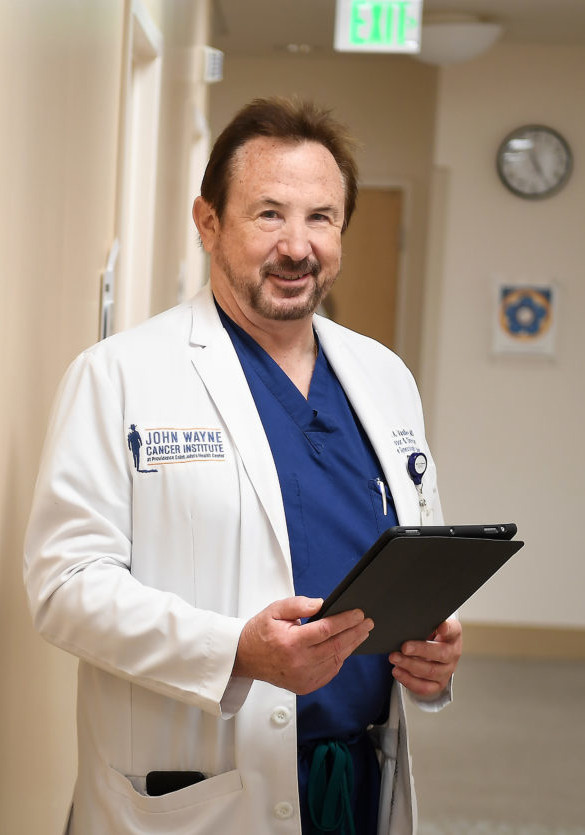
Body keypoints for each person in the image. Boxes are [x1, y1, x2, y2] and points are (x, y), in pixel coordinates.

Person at [24, 97, 462, 835]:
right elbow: (64, 585)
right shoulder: (119, 375)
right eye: (268, 214)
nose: (297, 246)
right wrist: (235, 650)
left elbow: (421, 549)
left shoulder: (383, 376)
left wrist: (434, 645)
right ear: (208, 222)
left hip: (354, 776)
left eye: (321, 217)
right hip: (200, 792)